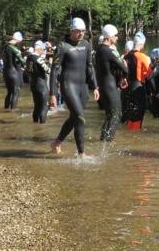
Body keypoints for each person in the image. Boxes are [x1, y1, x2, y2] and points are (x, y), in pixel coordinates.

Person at [49, 17, 98, 155]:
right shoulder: (62, 46)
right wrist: (52, 93)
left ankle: (57, 142)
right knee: (80, 118)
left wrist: (95, 86)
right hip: (68, 85)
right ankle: (81, 154)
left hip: (82, 87)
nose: (81, 33)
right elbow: (54, 70)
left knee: (75, 117)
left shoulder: (87, 45)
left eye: (83, 31)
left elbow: (89, 66)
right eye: (78, 31)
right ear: (71, 30)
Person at [95, 24, 128, 142]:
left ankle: (102, 140)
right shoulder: (109, 51)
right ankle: (108, 142)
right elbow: (125, 69)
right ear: (109, 37)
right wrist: (124, 73)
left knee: (109, 115)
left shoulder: (98, 50)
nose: (117, 38)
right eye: (116, 36)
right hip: (111, 88)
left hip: (103, 87)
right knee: (116, 115)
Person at [123, 32, 151, 130]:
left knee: (130, 113)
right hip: (138, 88)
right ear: (142, 44)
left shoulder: (125, 56)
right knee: (138, 113)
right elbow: (150, 75)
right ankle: (136, 136)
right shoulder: (142, 57)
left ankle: (129, 133)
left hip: (127, 88)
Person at [25, 40, 51, 124]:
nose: (44, 51)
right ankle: (42, 127)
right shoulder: (38, 58)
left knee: (36, 106)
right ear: (39, 49)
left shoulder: (29, 57)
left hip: (33, 84)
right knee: (44, 107)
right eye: (43, 49)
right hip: (42, 85)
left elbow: (27, 70)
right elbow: (48, 70)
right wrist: (50, 61)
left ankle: (35, 125)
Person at [1, 32, 26, 111]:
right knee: (16, 91)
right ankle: (13, 110)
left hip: (5, 72)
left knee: (9, 92)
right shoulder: (13, 48)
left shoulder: (4, 47)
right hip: (13, 72)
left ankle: (6, 109)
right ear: (18, 40)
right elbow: (22, 61)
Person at [147, 47, 159, 120]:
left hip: (157, 93)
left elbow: (150, 78)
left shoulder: (155, 66)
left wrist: (154, 92)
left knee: (156, 115)